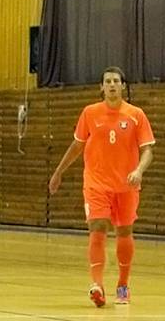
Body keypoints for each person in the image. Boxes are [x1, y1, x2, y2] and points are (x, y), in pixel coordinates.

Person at [49, 66, 154, 308]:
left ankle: (123, 284)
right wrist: (58, 172)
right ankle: (96, 285)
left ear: (123, 86)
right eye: (107, 81)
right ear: (101, 87)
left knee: (124, 232)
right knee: (96, 226)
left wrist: (138, 170)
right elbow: (77, 146)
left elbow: (148, 150)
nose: (112, 85)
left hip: (126, 185)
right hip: (96, 183)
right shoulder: (90, 113)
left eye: (116, 81)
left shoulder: (136, 114)